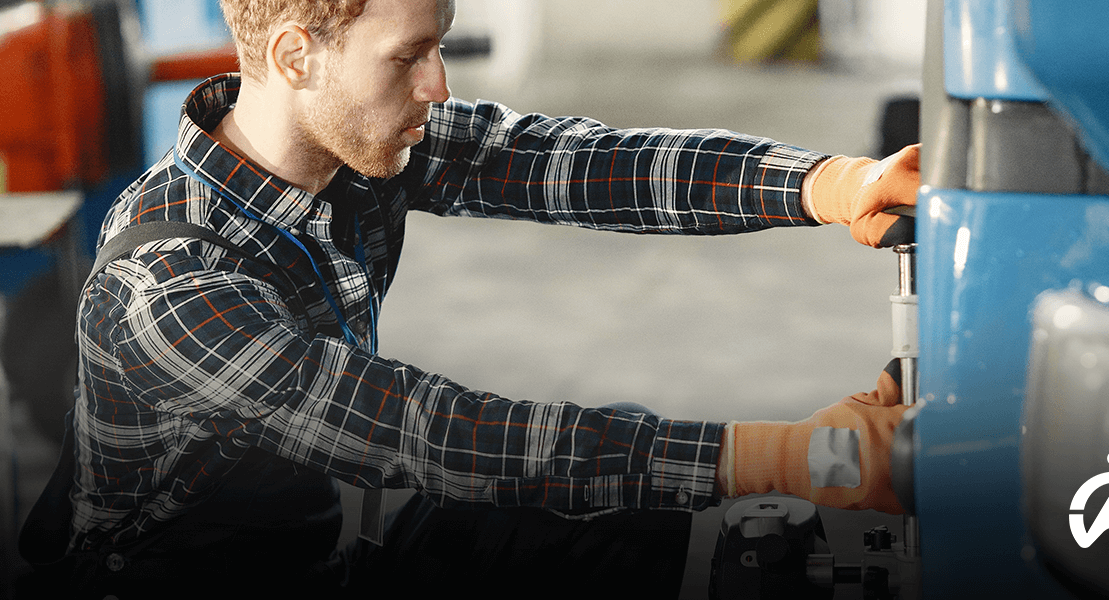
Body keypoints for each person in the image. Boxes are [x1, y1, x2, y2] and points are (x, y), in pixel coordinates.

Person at [20, 0, 922, 597]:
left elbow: (581, 163)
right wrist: (800, 456)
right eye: (408, 55)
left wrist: (831, 184)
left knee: (633, 518)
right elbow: (434, 433)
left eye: (440, 43)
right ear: (297, 56)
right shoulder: (167, 292)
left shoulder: (353, 142)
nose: (438, 85)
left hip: (316, 546)